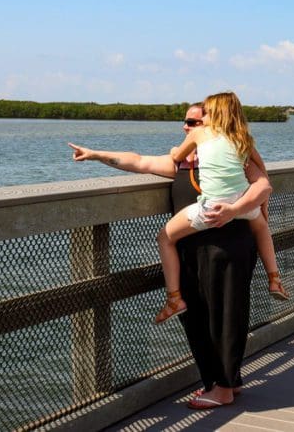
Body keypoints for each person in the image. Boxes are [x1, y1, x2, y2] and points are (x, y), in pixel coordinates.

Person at [68, 101, 270, 409]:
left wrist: (233, 210)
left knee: (226, 315)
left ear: (211, 125)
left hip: (227, 248)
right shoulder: (181, 164)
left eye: (193, 123)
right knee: (196, 318)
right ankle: (221, 381)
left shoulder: (234, 159)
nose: (186, 128)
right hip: (189, 252)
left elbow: (263, 186)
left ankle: (225, 388)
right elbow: (136, 161)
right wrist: (96, 154)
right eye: (185, 122)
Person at [154, 91, 287, 325]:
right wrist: (261, 204)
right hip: (242, 204)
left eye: (206, 112)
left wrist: (175, 150)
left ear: (214, 114)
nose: (202, 117)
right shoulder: (242, 137)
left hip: (213, 207)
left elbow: (178, 156)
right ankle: (274, 277)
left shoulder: (200, 134)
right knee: (262, 226)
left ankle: (174, 298)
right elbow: (262, 171)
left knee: (164, 238)